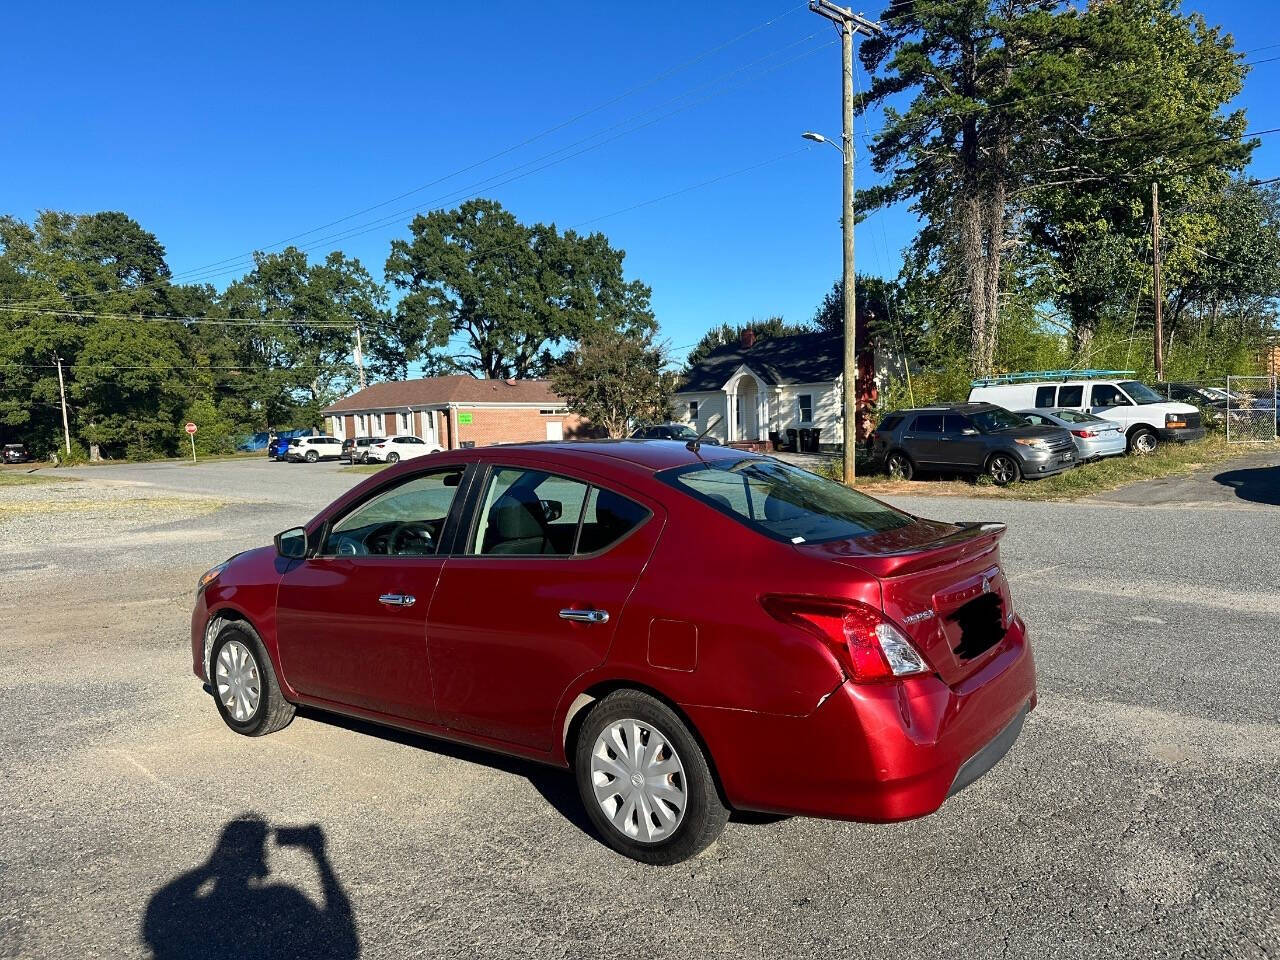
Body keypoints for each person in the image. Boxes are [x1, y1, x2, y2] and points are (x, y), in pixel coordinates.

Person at [143, 817, 358, 960]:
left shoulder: (188, 915)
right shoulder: (282, 901)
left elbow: (161, 904)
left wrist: (211, 867)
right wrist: (319, 856)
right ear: (262, 862)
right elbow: (344, 941)